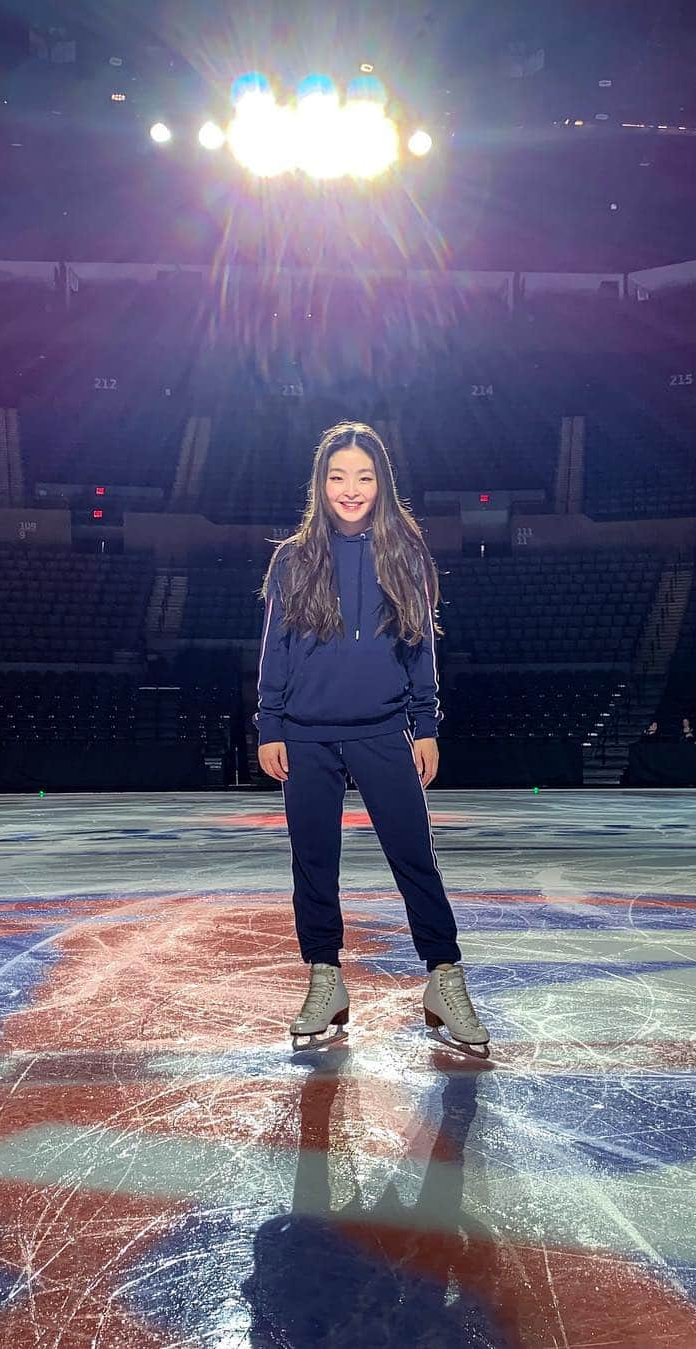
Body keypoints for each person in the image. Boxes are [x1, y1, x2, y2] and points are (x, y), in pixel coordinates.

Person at [254, 421, 490, 1056]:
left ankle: (444, 979)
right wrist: (269, 722)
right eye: (337, 477)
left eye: (363, 476)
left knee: (414, 856)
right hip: (305, 735)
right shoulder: (293, 558)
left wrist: (427, 723)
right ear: (320, 484)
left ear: (381, 482)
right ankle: (325, 979)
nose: (350, 489)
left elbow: (420, 646)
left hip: (385, 729)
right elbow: (274, 649)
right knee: (314, 863)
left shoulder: (405, 553)